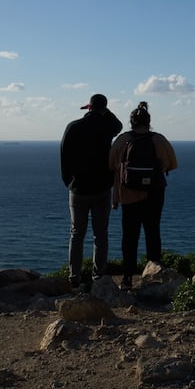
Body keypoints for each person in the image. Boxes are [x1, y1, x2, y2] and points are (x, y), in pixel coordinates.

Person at [109, 102, 177, 291]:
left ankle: (128, 277)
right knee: (152, 232)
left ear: (131, 122)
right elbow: (171, 164)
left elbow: (112, 164)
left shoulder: (123, 140)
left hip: (129, 195)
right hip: (154, 195)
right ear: (149, 122)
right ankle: (153, 275)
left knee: (130, 236)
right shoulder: (159, 140)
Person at [60, 94, 123, 288]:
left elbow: (64, 157)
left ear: (88, 108)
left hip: (78, 189)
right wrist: (105, 111)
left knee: (76, 233)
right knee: (100, 234)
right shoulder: (106, 127)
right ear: (104, 109)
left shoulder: (73, 127)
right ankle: (98, 275)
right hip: (101, 188)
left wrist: (69, 182)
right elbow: (119, 126)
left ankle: (74, 276)